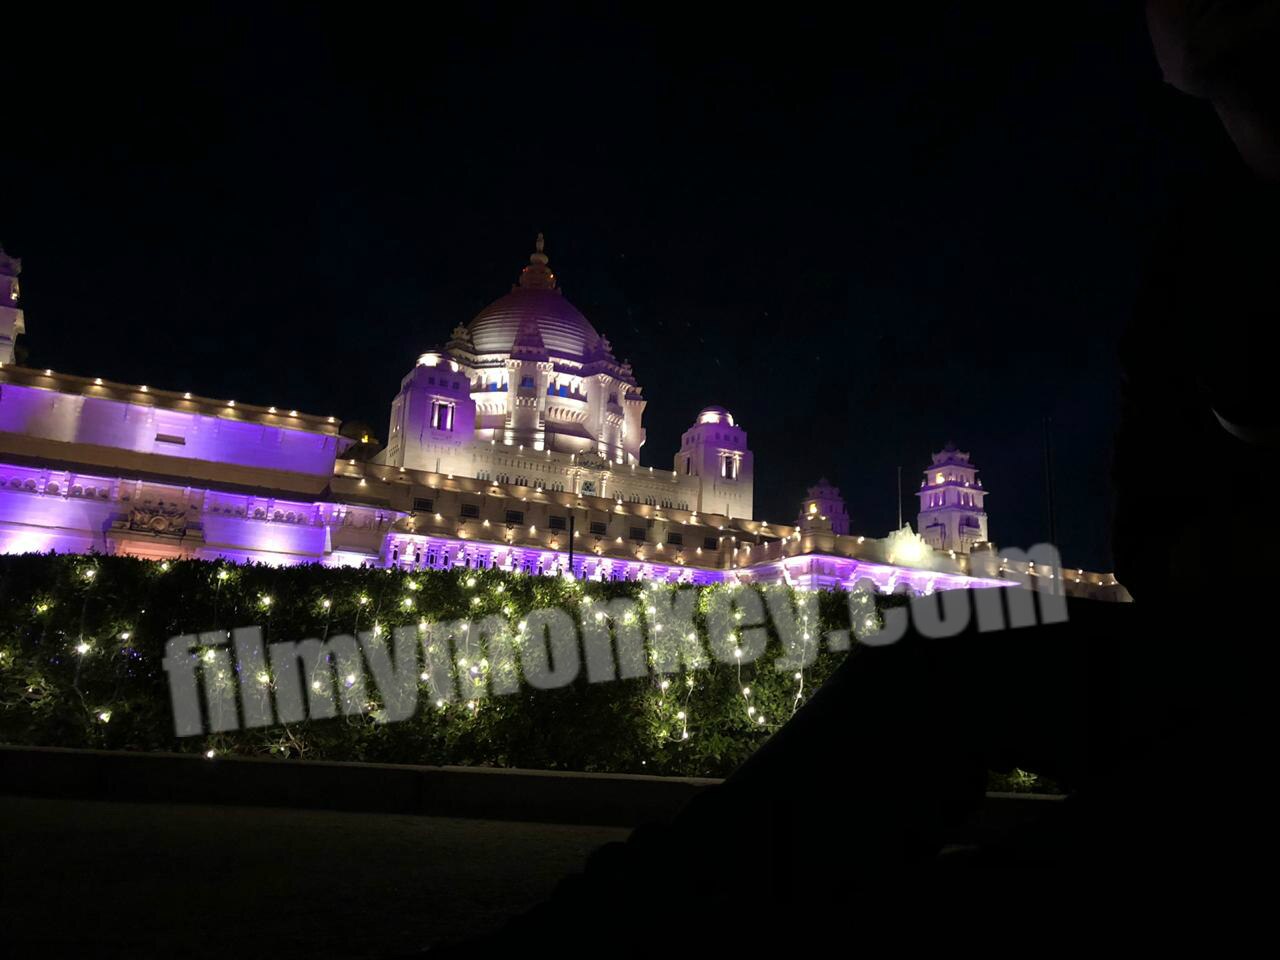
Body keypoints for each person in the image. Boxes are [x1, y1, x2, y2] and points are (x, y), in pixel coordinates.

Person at [416, 4, 1280, 951]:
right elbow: (1159, 541)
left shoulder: (1210, 242)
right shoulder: (1199, 242)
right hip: (1208, 659)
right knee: (928, 653)